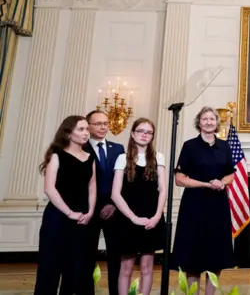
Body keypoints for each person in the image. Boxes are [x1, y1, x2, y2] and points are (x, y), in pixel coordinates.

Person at [172, 107, 236, 295]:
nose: (208, 122)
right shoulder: (189, 146)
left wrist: (221, 182)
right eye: (204, 119)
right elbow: (179, 178)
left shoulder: (224, 146)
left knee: (216, 257)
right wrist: (206, 184)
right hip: (194, 206)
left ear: (217, 123)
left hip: (218, 207)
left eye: (212, 119)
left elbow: (230, 175)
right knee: (193, 257)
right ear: (198, 123)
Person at [34, 115, 97, 295]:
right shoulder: (57, 156)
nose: (86, 133)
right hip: (58, 219)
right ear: (68, 134)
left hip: (82, 220)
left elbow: (92, 186)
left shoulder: (89, 158)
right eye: (81, 129)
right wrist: (69, 213)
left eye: (87, 129)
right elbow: (49, 189)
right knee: (50, 268)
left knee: (76, 270)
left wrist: (90, 211)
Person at [111, 118, 167, 295]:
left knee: (147, 267)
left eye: (148, 132)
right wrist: (133, 218)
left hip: (151, 217)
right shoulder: (122, 158)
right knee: (126, 267)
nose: (144, 135)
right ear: (133, 134)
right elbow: (115, 194)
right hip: (128, 219)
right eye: (141, 131)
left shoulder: (159, 157)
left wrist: (157, 216)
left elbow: (163, 189)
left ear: (152, 136)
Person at [84, 110, 125, 295]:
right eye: (98, 123)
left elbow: (125, 180)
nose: (103, 127)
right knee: (86, 257)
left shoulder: (118, 149)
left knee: (116, 258)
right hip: (87, 211)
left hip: (113, 211)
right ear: (88, 126)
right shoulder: (80, 148)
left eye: (105, 123)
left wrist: (114, 204)